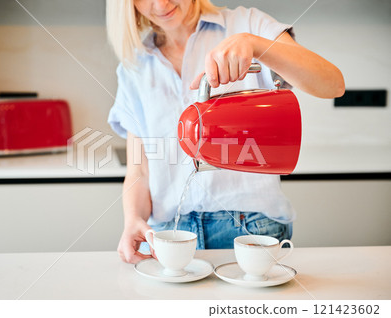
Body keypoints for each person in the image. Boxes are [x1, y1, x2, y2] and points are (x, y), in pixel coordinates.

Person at [106, 0, 345, 263]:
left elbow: (332, 84)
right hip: (170, 234)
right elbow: (140, 169)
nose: (161, 3)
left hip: (250, 228)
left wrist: (256, 45)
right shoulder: (134, 68)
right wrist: (133, 219)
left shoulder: (247, 25)